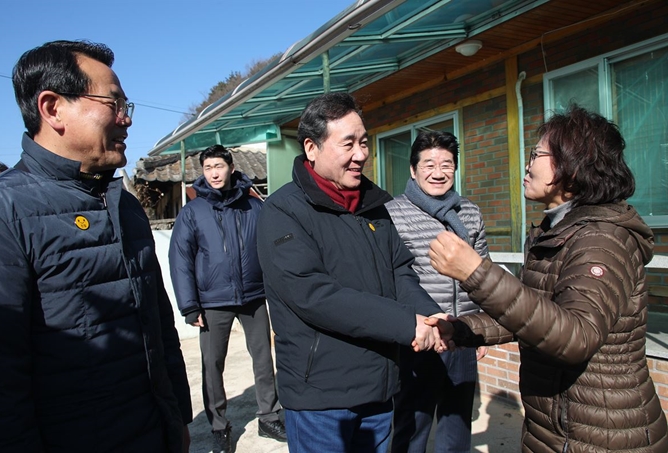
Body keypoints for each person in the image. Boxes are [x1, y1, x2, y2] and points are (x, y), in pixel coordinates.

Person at [0, 40, 192, 452]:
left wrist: (178, 419)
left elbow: (160, 328)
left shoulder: (126, 205)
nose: (126, 120)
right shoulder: (1, 214)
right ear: (52, 108)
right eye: (113, 103)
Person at [426, 104, 668, 452]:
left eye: (537, 154)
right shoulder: (558, 230)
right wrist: (462, 329)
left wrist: (476, 273)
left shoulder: (601, 239)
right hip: (557, 428)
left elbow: (576, 337)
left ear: (573, 164)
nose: (527, 164)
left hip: (602, 436)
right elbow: (535, 316)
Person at [256, 92, 450, 453]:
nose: (361, 154)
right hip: (321, 399)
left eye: (364, 142)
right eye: (348, 144)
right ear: (312, 148)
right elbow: (314, 295)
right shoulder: (282, 212)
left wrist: (428, 315)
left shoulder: (374, 205)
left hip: (379, 387)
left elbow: (400, 271)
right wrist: (407, 324)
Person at [169, 144, 286, 453]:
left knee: (263, 360)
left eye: (218, 166)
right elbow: (180, 259)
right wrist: (190, 304)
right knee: (212, 365)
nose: (214, 173)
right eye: (208, 168)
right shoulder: (192, 212)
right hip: (212, 301)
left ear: (231, 168)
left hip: (253, 296)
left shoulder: (253, 207)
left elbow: (271, 248)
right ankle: (220, 426)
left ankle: (269, 416)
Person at [386, 130, 489, 453]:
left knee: (457, 424)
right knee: (411, 425)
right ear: (413, 170)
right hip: (420, 338)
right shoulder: (394, 213)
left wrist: (480, 328)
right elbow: (391, 278)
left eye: (447, 164)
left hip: (461, 334)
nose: (439, 172)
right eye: (429, 164)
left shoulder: (469, 212)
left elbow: (483, 275)